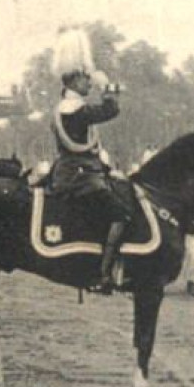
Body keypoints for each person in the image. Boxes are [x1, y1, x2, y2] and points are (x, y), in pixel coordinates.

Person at [47, 28, 128, 293]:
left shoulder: (68, 107)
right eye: (85, 79)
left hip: (78, 171)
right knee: (119, 213)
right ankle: (102, 274)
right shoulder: (74, 109)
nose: (88, 84)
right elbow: (110, 110)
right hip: (78, 176)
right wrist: (107, 86)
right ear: (73, 80)